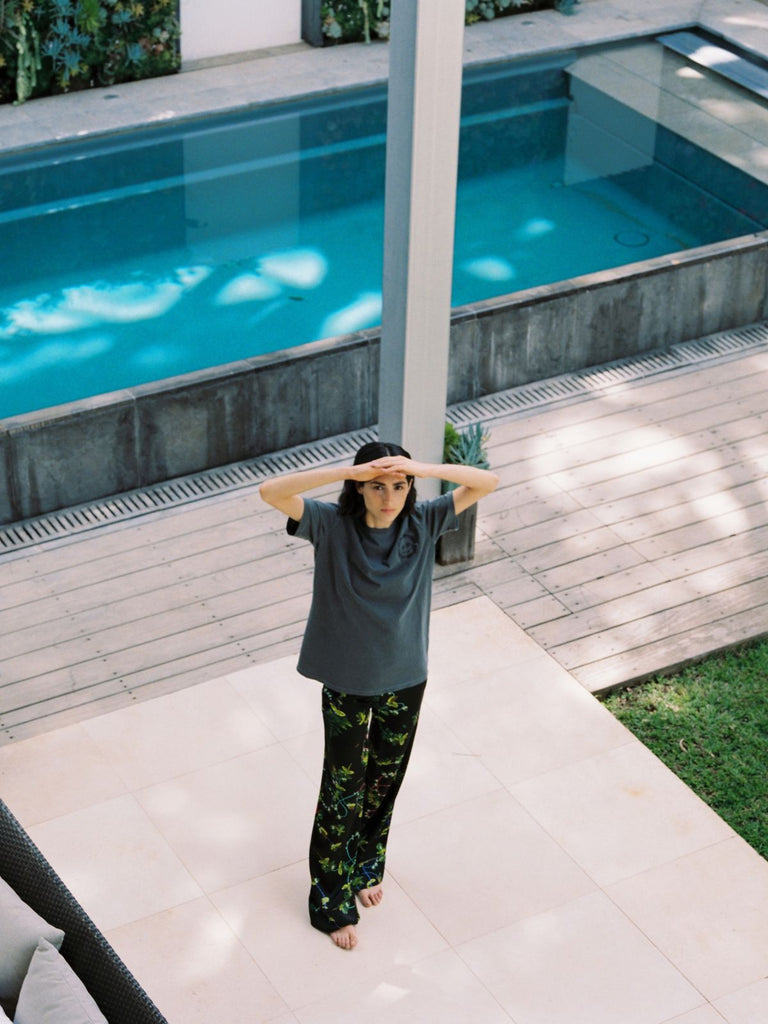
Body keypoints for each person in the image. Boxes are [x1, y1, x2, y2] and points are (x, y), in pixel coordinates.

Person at [259, 440, 498, 950]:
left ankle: (367, 865)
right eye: (376, 486)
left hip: (406, 678)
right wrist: (350, 471)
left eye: (399, 486)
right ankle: (330, 903)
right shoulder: (330, 525)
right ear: (359, 487)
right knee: (342, 791)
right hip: (347, 684)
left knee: (385, 781)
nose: (389, 497)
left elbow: (487, 482)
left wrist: (420, 467)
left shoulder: (424, 521)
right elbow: (270, 491)